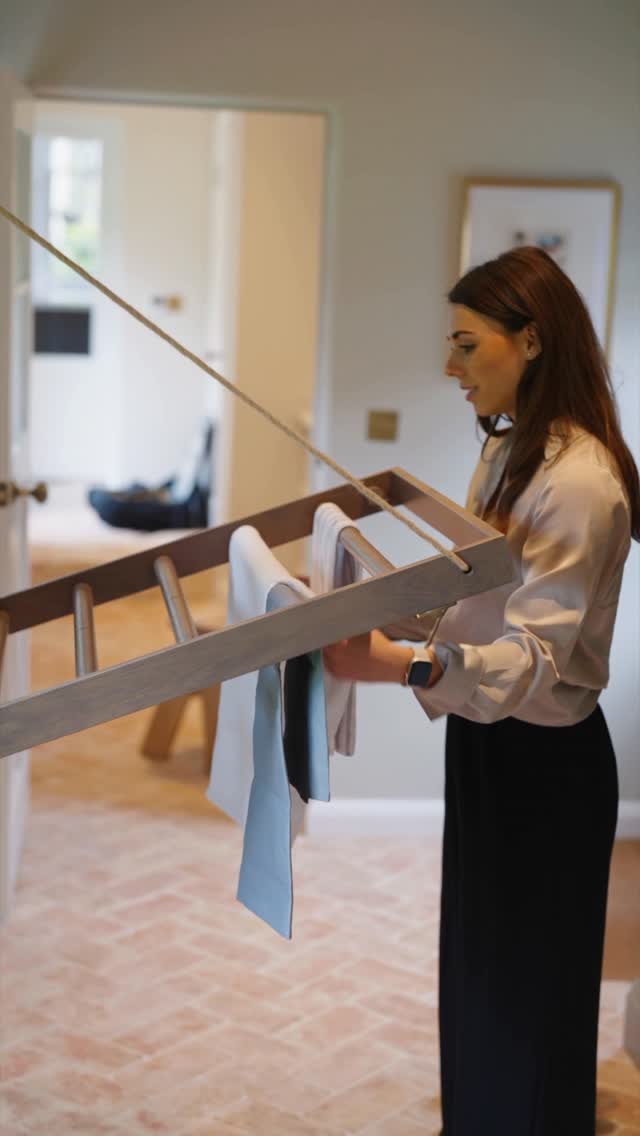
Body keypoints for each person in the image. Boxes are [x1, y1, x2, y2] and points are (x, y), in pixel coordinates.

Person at [324, 246, 639, 1136]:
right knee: (480, 968)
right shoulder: (510, 453)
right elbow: (474, 603)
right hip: (492, 745)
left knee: (527, 988)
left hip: (547, 764)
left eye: (467, 345)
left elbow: (535, 657)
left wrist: (399, 664)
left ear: (530, 341)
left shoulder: (581, 482)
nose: (449, 368)